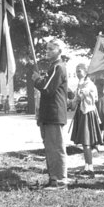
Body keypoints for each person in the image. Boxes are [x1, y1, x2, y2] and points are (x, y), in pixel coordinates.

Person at [32, 39, 68, 190]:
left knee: (55, 147)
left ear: (59, 51)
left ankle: (60, 180)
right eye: (46, 49)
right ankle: (53, 178)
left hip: (54, 113)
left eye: (51, 49)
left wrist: (37, 80)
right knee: (49, 147)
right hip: (48, 113)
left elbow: (47, 88)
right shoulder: (52, 67)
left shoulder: (58, 67)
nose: (47, 51)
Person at [70, 63, 103, 174]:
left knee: (86, 141)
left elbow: (84, 97)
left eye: (79, 71)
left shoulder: (89, 84)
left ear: (85, 72)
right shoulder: (80, 84)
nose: (77, 73)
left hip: (87, 113)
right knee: (84, 142)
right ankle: (87, 166)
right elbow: (75, 101)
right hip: (81, 113)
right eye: (76, 71)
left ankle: (90, 167)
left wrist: (78, 96)